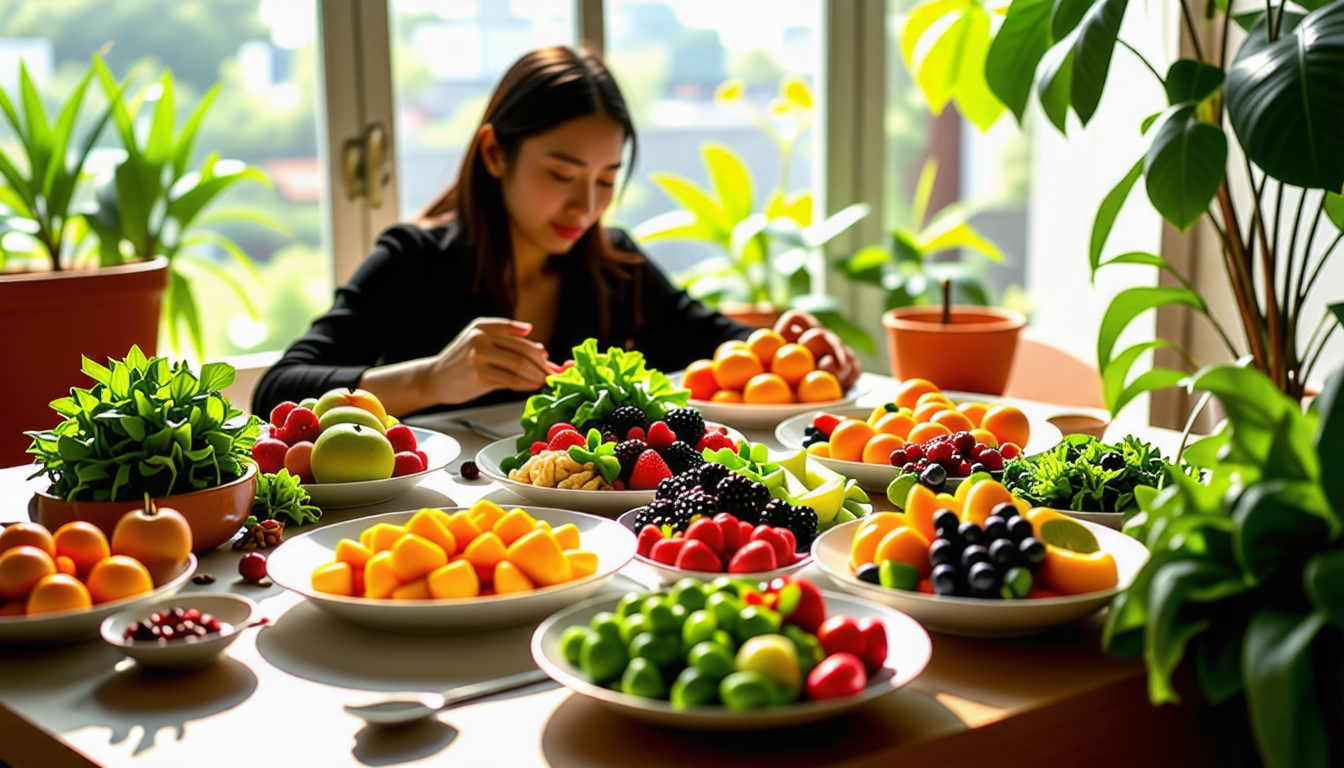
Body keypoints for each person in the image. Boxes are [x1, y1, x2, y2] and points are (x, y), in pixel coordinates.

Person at [252, 46, 858, 419]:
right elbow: (276, 391)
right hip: (443, 543)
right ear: (494, 153)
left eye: (605, 179)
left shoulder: (619, 266)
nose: (585, 205)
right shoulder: (412, 260)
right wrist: (432, 377)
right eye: (561, 173)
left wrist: (789, 341)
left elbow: (716, 341)